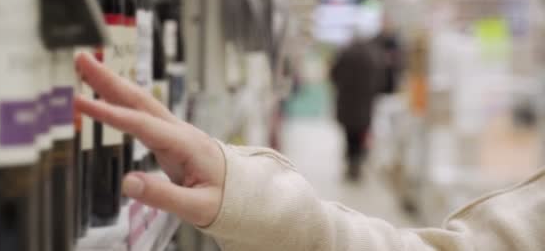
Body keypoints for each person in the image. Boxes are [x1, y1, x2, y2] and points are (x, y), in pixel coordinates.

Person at [75, 52, 545, 251]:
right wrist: (251, 201)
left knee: (352, 139)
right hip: (353, 111)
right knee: (354, 140)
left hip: (349, 108)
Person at [329, 34, 381, 180]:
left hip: (347, 103)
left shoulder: (345, 54)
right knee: (360, 134)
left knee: (349, 135)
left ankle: (351, 162)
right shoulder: (372, 56)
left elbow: (333, 74)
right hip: (364, 103)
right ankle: (357, 162)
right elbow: (379, 80)